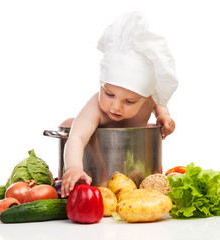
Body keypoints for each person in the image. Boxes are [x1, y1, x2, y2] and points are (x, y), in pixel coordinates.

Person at [60, 12, 178, 198]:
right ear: (101, 83)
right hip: (99, 168)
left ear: (146, 97)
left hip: (134, 167)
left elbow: (159, 101)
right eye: (109, 93)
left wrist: (164, 116)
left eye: (129, 101)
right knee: (72, 125)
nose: (115, 107)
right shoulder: (96, 107)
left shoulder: (149, 98)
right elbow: (77, 138)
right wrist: (74, 168)